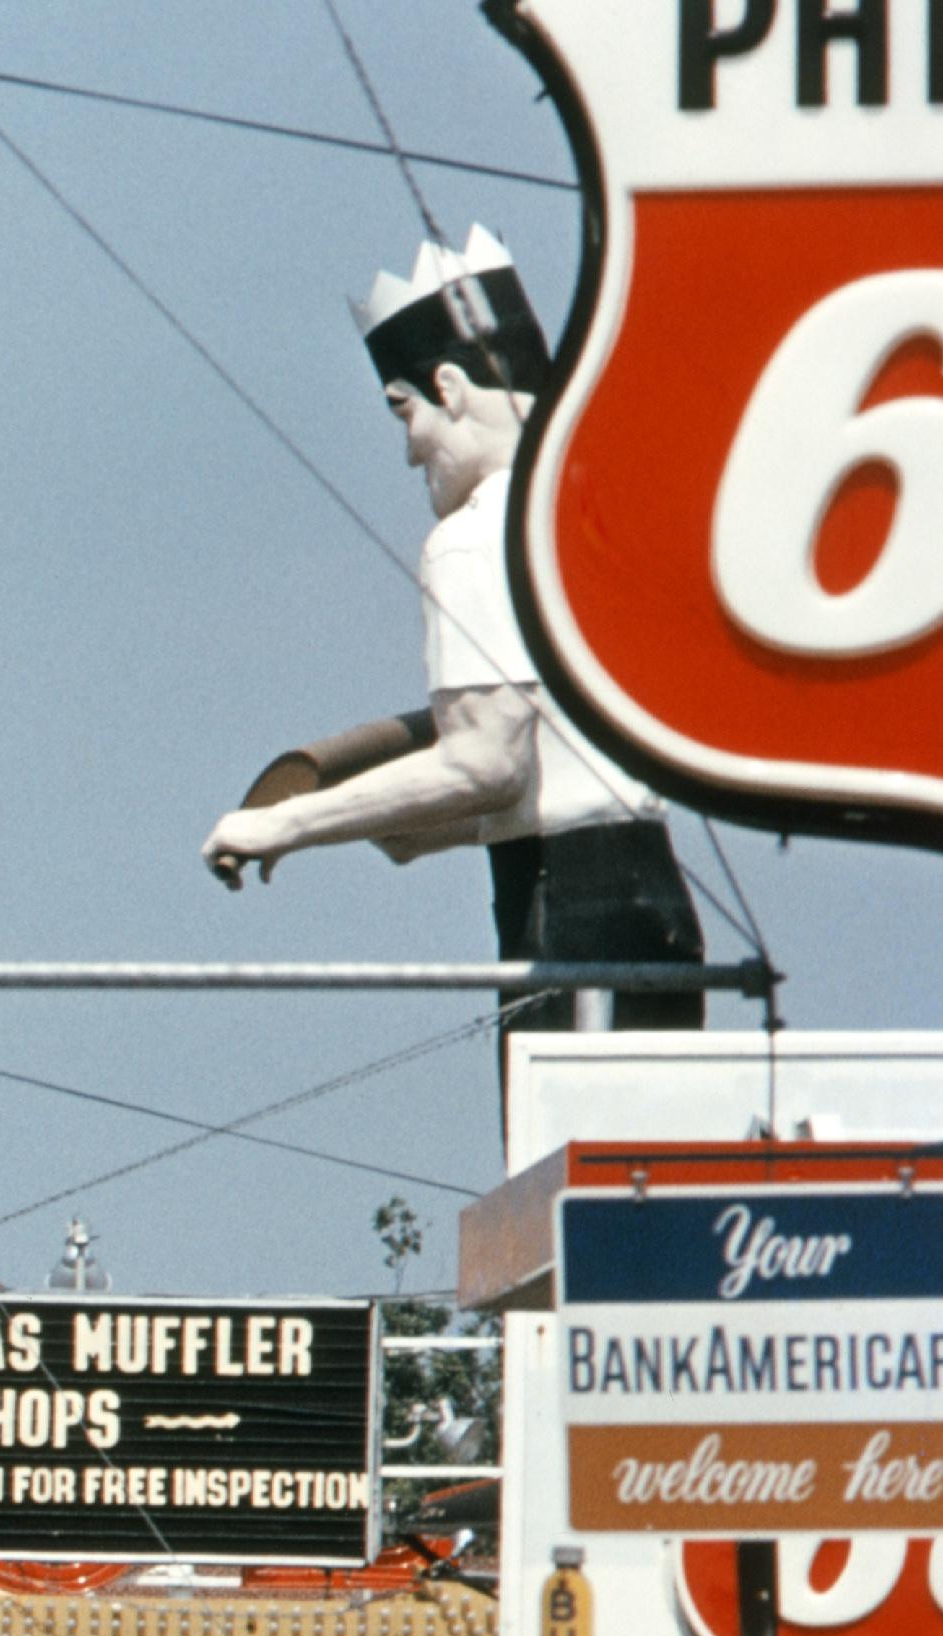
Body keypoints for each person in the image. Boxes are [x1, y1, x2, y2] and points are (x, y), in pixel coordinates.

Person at [199, 227, 702, 1065]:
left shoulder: (471, 540)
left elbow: (484, 764)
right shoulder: (600, 524)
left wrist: (287, 822)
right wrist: (408, 823)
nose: (408, 451)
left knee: (563, 1171)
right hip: (658, 908)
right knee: (647, 1174)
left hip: (564, 911)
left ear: (449, 386)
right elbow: (556, 770)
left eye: (404, 412)